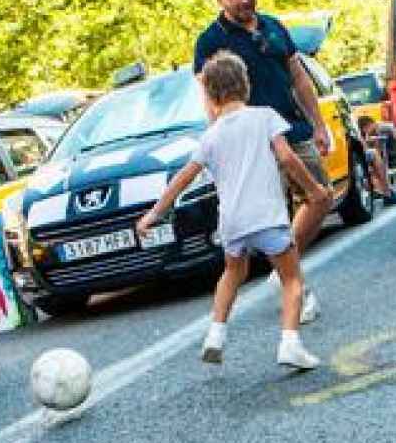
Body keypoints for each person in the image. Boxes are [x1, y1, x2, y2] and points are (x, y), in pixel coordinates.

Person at [136, 51, 328, 371]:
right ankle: (290, 343)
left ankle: (215, 334)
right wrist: (312, 189)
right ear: (246, 84)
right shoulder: (265, 117)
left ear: (211, 95)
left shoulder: (211, 135)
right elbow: (288, 158)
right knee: (292, 278)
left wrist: (155, 213)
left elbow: (185, 175)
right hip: (268, 217)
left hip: (233, 222)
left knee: (232, 273)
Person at [194, 0, 330, 325]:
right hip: (252, 141)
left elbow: (299, 78)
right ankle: (293, 283)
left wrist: (318, 124)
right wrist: (222, 142)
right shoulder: (210, 41)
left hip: (291, 129)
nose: (244, 0)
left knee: (321, 196)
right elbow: (210, 99)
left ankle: (282, 272)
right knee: (276, 216)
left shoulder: (273, 26)